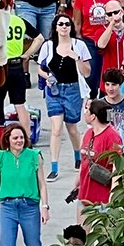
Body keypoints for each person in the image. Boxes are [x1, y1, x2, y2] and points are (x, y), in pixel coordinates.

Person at [37, 16, 91, 180]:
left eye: (67, 24)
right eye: (60, 24)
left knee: (72, 127)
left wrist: (77, 58)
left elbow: (87, 72)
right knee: (56, 128)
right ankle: (54, 167)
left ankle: (77, 156)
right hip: (54, 91)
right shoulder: (48, 45)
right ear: (55, 27)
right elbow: (40, 68)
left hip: (73, 90)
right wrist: (47, 76)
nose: (64, 27)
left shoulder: (79, 45)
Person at [76, 99, 122, 218]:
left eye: (87, 110)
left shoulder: (113, 137)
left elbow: (117, 169)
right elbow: (84, 162)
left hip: (102, 199)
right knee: (81, 234)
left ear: (93, 117)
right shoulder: (88, 133)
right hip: (85, 195)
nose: (84, 112)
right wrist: (77, 184)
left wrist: (112, 197)